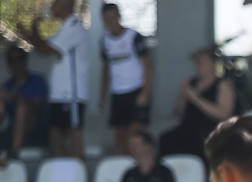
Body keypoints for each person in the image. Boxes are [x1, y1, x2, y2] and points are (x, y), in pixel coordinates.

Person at [18, 0, 89, 159]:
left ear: (66, 6)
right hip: (59, 94)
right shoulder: (64, 28)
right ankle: (61, 178)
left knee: (73, 137)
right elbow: (44, 46)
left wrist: (32, 31)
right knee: (56, 139)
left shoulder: (74, 27)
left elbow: (47, 50)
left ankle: (79, 178)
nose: (51, 7)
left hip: (71, 95)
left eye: (55, 4)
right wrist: (30, 33)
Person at [158, 47, 236, 159]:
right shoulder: (192, 82)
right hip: (188, 127)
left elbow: (224, 113)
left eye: (202, 62)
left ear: (213, 64)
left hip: (210, 129)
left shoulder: (222, 84)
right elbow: (178, 112)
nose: (198, 66)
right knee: (166, 139)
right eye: (197, 63)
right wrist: (183, 96)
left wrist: (195, 98)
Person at [99, 2, 153, 156]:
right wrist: (103, 96)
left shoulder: (134, 37)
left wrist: (145, 92)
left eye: (113, 17)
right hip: (117, 93)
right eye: (106, 18)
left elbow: (148, 66)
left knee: (134, 135)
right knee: (119, 136)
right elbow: (106, 69)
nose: (110, 21)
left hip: (136, 91)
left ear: (119, 16)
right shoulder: (104, 42)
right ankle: (123, 167)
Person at [0, 47, 48, 162]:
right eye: (11, 60)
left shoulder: (37, 81)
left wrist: (15, 98)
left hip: (35, 129)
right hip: (11, 130)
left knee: (22, 108)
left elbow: (39, 105)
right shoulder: (7, 85)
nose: (15, 64)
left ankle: (14, 154)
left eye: (19, 59)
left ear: (25, 60)